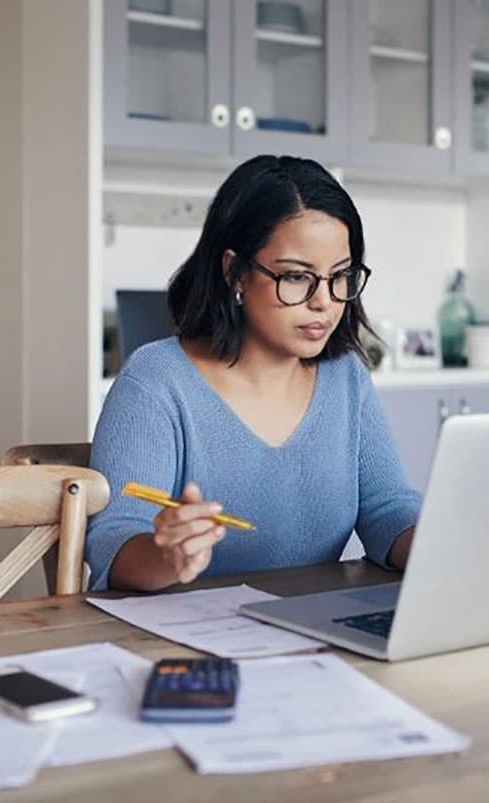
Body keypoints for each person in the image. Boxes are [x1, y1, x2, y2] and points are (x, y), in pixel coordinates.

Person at [85, 155, 422, 592]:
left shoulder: (346, 378)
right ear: (235, 272)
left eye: (341, 276)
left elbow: (387, 509)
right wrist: (166, 554)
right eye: (297, 277)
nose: (324, 301)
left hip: (308, 632)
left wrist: (443, 546)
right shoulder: (157, 381)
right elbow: (114, 541)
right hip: (179, 643)